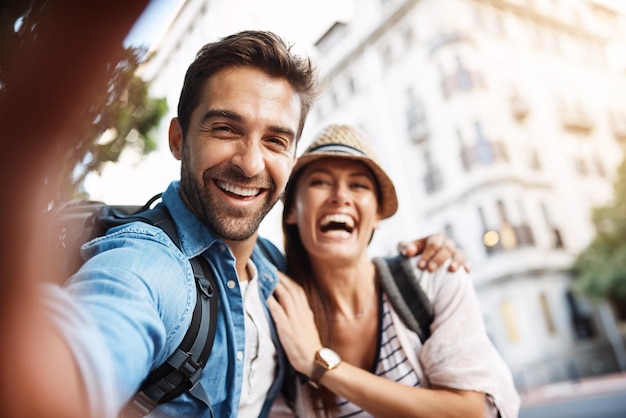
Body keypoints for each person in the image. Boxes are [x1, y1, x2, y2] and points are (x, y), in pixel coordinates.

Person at [37, 31, 468, 418]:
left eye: (275, 140)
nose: (250, 163)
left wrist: (436, 251)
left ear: (291, 161)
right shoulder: (148, 262)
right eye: (226, 129)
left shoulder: (275, 273)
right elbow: (86, 352)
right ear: (177, 139)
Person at [268, 124, 521, 417]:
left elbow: (470, 412)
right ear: (291, 212)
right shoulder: (278, 317)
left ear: (377, 214)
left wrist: (320, 365)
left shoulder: (433, 275)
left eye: (359, 185)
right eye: (320, 182)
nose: (340, 196)